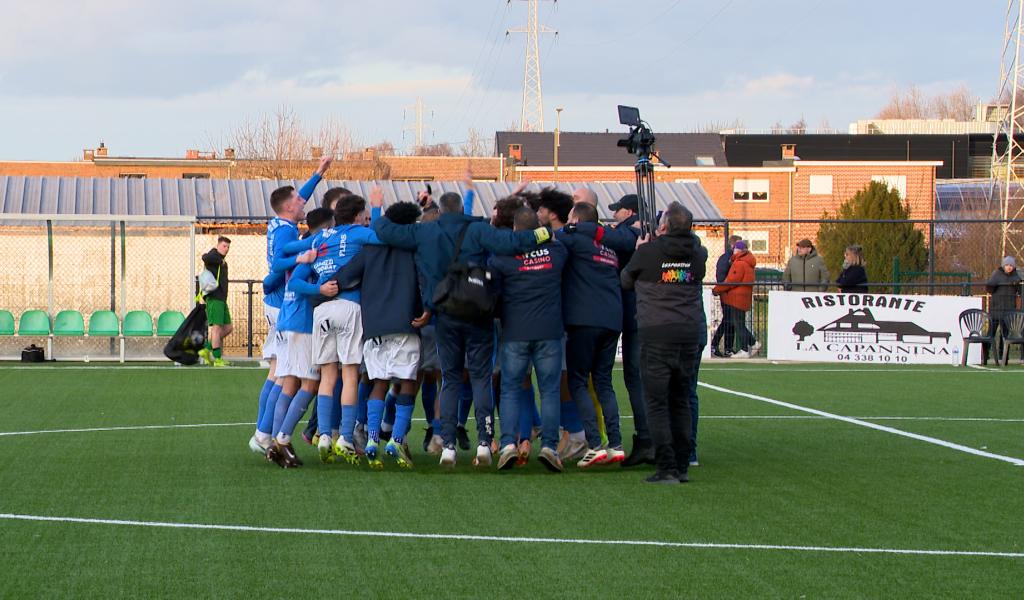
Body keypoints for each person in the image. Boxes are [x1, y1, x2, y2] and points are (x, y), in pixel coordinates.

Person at [371, 189, 551, 468]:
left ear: (441, 210)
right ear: (462, 210)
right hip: (478, 313)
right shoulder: (478, 229)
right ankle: (483, 443)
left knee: (451, 378)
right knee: (480, 378)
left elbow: (383, 230)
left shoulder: (425, 232)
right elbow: (515, 242)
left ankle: (448, 447)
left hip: (444, 315)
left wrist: (376, 206)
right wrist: (545, 233)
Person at [332, 201, 425, 469]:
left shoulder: (370, 249)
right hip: (406, 323)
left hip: (373, 328)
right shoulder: (413, 249)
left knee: (379, 383)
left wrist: (323, 290)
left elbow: (345, 276)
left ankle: (372, 440)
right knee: (408, 381)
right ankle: (396, 439)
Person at [621, 202, 707, 484]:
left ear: (664, 226)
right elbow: (691, 254)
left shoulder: (648, 252)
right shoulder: (698, 254)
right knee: (681, 399)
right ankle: (682, 464)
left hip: (657, 333)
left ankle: (666, 466)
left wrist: (641, 248)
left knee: (656, 402)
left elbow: (626, 280)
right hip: (688, 332)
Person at [489, 206, 569, 472]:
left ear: (513, 230)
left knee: (510, 389)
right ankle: (548, 446)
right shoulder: (555, 253)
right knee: (549, 390)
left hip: (515, 331)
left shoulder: (503, 257)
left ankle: (509, 445)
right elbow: (557, 241)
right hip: (549, 331)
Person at [558, 199, 626, 468]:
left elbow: (552, 240)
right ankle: (617, 445)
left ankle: (595, 444)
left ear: (575, 220)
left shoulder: (573, 238)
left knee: (577, 380)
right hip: (612, 319)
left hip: (584, 320)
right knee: (603, 382)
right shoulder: (609, 244)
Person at [604, 194, 650, 467]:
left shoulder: (630, 233)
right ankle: (654, 439)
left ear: (629, 211)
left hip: (630, 313)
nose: (614, 215)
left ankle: (645, 439)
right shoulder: (650, 232)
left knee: (634, 378)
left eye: (617, 211)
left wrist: (588, 227)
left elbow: (618, 240)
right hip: (645, 313)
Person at [712, 240, 760, 359]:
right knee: (739, 323)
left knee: (738, 324)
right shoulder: (749, 263)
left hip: (736, 298)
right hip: (744, 297)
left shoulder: (739, 263)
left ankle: (746, 347)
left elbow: (731, 280)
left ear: (737, 250)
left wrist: (717, 289)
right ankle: (752, 343)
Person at [199, 237, 233, 367]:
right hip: (214, 298)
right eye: (224, 246)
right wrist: (219, 259)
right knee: (216, 328)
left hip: (222, 299)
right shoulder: (214, 255)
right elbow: (205, 257)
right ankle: (217, 359)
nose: (227, 249)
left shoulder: (222, 260)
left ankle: (207, 349)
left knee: (228, 327)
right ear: (218, 246)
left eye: (228, 247)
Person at [986, 256, 1023, 360]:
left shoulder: (1016, 275)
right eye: (1007, 265)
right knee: (991, 333)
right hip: (996, 310)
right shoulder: (997, 274)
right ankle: (985, 354)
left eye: (1011, 265)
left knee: (1005, 334)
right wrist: (992, 285)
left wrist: (1017, 284)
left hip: (1008, 312)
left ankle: (1004, 356)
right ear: (1003, 265)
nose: (1009, 267)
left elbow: (1020, 290)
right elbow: (989, 288)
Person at [710, 235, 741, 357]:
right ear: (733, 245)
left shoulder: (731, 258)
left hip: (730, 293)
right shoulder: (726, 259)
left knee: (729, 321)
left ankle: (728, 347)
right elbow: (722, 277)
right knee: (728, 320)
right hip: (727, 294)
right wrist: (726, 288)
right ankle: (716, 344)